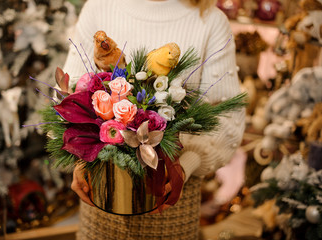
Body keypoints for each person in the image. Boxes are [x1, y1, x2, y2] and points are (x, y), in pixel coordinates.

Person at [63, 0, 245, 239]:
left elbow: (226, 116)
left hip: (172, 207)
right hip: (101, 199)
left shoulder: (210, 20)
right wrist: (81, 158)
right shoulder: (99, 7)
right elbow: (71, 96)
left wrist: (187, 163)